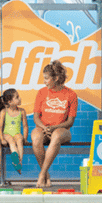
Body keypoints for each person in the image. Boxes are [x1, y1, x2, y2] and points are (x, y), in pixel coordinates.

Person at [31, 59, 78, 188]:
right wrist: (44, 127)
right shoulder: (42, 92)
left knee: (56, 135)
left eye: (46, 78)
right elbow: (36, 118)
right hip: (43, 128)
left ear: (56, 78)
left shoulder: (71, 95)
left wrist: (53, 128)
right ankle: (46, 174)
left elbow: (70, 122)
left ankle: (41, 175)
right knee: (35, 138)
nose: (44, 81)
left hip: (62, 130)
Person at [0, 88, 28, 173]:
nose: (20, 98)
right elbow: (0, 128)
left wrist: (24, 137)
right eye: (17, 97)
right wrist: (2, 139)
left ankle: (19, 162)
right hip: (6, 134)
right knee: (11, 141)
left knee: (19, 140)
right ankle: (15, 155)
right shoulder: (4, 111)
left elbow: (25, 126)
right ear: (10, 102)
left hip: (16, 133)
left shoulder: (22, 111)